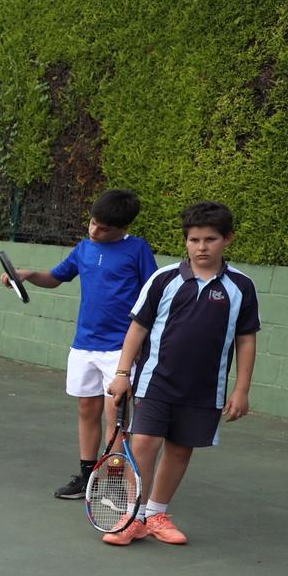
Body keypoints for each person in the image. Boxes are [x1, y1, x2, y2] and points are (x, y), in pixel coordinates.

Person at [100, 201, 259, 548]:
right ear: (186, 241)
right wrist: (122, 373)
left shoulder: (241, 287)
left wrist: (242, 389)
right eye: (194, 240)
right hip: (156, 381)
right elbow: (137, 329)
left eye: (210, 240)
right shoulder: (165, 279)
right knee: (142, 443)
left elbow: (246, 340)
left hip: (205, 389)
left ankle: (157, 513)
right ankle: (132, 517)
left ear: (227, 240)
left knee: (180, 450)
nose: (201, 247)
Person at [0, 188, 159, 499]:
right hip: (84, 345)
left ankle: (112, 479)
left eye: (104, 228)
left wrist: (143, 342)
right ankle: (88, 477)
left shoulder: (138, 250)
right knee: (87, 409)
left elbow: (152, 299)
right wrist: (29, 274)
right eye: (92, 223)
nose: (95, 230)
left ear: (123, 229)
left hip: (120, 349)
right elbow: (57, 277)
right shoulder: (84, 249)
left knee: (116, 419)